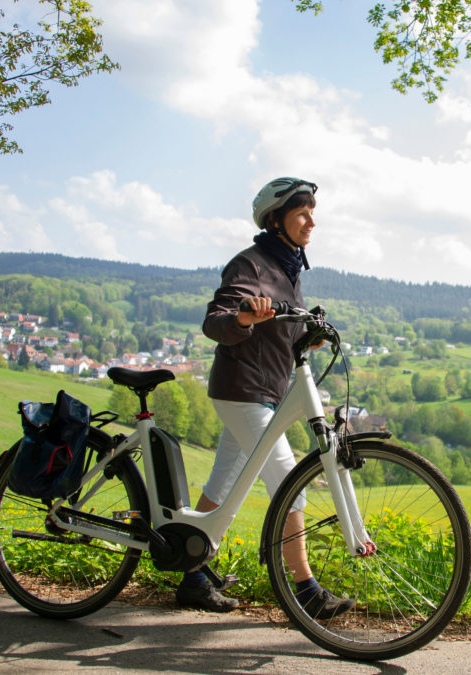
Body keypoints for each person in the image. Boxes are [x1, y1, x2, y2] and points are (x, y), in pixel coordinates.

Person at [175, 177, 355, 618]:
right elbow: (217, 320)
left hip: (265, 392)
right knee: (289, 483)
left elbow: (281, 325)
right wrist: (242, 315)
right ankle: (305, 590)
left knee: (222, 484)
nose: (312, 221)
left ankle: (192, 575)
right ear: (276, 220)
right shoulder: (250, 265)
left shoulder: (288, 267)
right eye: (302, 213)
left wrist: (306, 336)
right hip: (243, 390)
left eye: (312, 212)